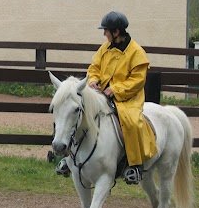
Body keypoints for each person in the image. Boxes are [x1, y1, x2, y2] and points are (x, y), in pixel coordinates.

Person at [56, 10, 156, 184]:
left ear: (116, 32)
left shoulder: (137, 53)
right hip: (101, 93)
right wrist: (93, 81)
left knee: (132, 122)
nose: (104, 33)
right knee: (77, 114)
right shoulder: (105, 48)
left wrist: (115, 90)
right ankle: (69, 158)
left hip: (128, 98)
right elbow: (94, 67)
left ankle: (135, 166)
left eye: (106, 30)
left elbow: (137, 80)